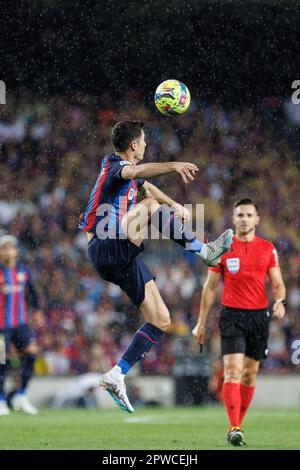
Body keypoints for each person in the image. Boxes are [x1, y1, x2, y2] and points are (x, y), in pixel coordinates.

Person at [79, 120, 233, 413]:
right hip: (104, 245)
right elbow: (136, 173)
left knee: (161, 319)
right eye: (144, 141)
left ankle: (117, 374)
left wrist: (174, 204)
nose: (147, 145)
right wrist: (174, 165)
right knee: (149, 208)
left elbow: (145, 184)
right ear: (134, 145)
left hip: (119, 257)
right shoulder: (114, 166)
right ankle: (206, 252)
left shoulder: (123, 176)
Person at [193, 199, 286, 446]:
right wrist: (201, 322)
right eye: (240, 215)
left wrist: (280, 301)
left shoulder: (268, 249)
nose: (244, 219)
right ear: (233, 219)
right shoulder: (223, 247)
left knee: (249, 375)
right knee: (233, 371)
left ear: (257, 219)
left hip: (259, 317)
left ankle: (238, 424)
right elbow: (210, 288)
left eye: (249, 215)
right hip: (232, 316)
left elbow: (277, 283)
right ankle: (234, 427)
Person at [0, 235, 43, 416]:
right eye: (5, 248)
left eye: (11, 248)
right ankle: (1, 399)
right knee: (2, 360)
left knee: (31, 355)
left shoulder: (23, 271)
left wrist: (38, 310)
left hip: (21, 324)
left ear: (16, 251)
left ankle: (22, 395)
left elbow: (33, 293)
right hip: (2, 325)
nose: (8, 251)